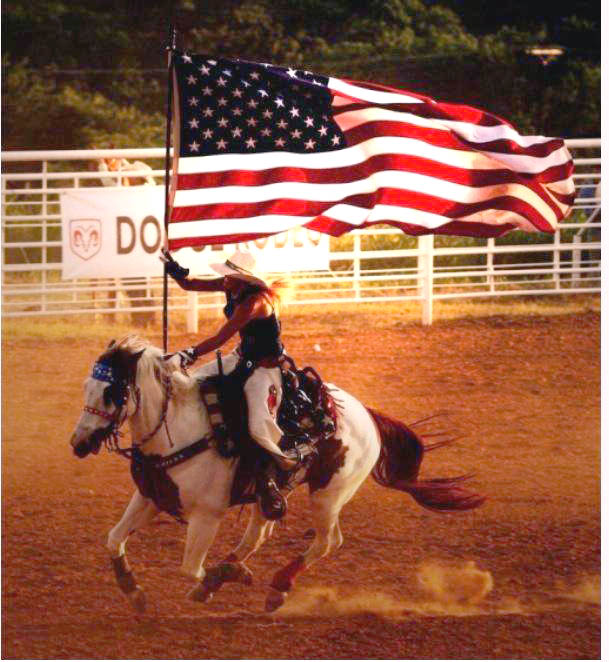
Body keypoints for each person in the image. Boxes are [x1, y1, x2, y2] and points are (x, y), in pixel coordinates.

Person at [160, 248, 314, 519]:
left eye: (229, 275)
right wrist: (176, 271)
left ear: (244, 280)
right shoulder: (231, 287)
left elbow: (222, 337)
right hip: (243, 358)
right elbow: (190, 284)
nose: (224, 279)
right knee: (193, 382)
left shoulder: (254, 303)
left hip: (267, 367)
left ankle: (269, 475)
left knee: (257, 422)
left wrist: (190, 353)